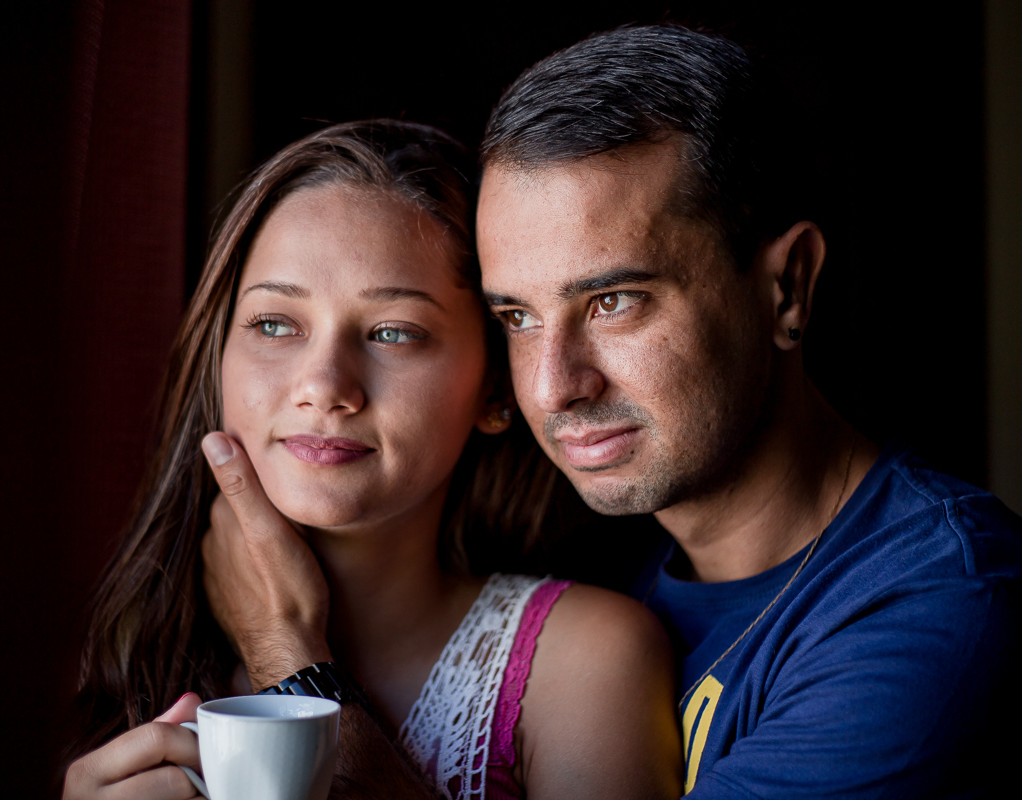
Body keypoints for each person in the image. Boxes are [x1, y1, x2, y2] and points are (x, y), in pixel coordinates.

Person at [202, 25, 1022, 799]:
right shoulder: (598, 561)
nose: (554, 387)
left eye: (614, 301)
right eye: (518, 317)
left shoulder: (939, 602)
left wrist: (289, 664)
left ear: (787, 287)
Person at [61, 119, 681, 800]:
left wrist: (286, 655)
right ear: (219, 359)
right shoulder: (132, 661)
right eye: (275, 324)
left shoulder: (586, 663)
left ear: (496, 389)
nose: (324, 385)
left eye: (393, 333)